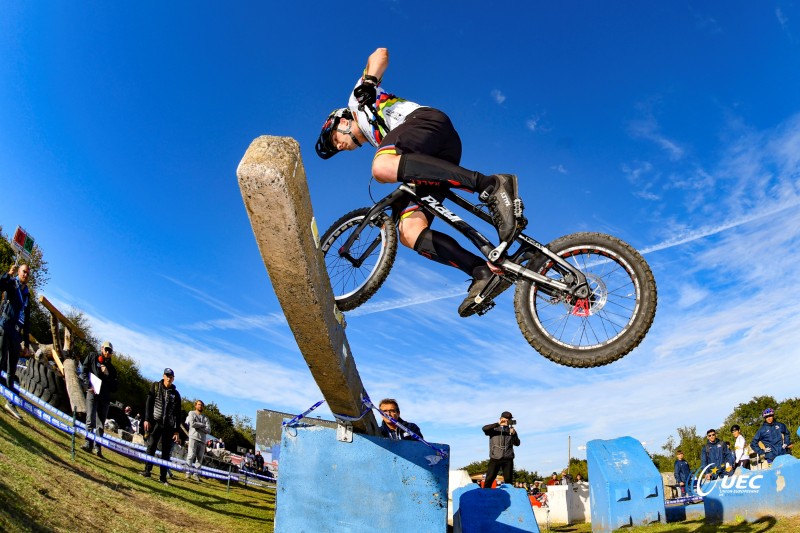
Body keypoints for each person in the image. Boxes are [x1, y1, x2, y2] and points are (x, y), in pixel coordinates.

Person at [315, 48, 525, 317]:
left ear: (341, 121)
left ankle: (490, 185)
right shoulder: (380, 138)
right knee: (409, 231)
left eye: (335, 140)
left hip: (426, 123)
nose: (341, 147)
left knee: (382, 166)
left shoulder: (358, 103)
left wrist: (367, 83)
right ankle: (481, 271)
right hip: (434, 154)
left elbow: (380, 54)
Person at [140, 368, 182, 486]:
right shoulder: (155, 386)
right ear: (163, 376)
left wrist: (176, 431)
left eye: (171, 376)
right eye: (167, 375)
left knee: (166, 452)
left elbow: (178, 414)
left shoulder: (176, 394)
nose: (169, 378)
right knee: (151, 446)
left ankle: (163, 477)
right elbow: (149, 403)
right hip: (155, 422)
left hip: (169, 426)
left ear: (173, 378)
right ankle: (147, 471)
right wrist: (147, 419)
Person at [0, 264, 31, 420]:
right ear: (18, 272)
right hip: (5, 327)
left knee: (12, 369)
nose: (25, 274)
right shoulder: (12, 283)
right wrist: (7, 274)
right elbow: (0, 285)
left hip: (16, 335)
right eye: (23, 272)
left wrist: (25, 343)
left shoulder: (27, 294)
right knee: (1, 361)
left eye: (27, 273)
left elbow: (27, 320)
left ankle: (10, 402)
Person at [79, 341, 119, 457]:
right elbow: (84, 371)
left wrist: (107, 374)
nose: (107, 352)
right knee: (90, 418)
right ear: (101, 348)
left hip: (104, 398)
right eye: (106, 349)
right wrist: (87, 385)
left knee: (100, 424)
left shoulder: (112, 369)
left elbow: (115, 387)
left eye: (110, 351)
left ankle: (98, 447)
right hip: (92, 392)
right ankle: (88, 443)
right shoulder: (92, 357)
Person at [482, 411, 521, 488]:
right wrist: (498, 424)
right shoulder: (494, 429)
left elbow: (517, 443)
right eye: (506, 419)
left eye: (509, 419)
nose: (508, 420)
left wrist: (513, 434)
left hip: (508, 458)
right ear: (501, 419)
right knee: (489, 478)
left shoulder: (511, 430)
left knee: (508, 480)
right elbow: (484, 428)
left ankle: (508, 496)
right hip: (495, 457)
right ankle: (485, 495)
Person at [184, 399, 211, 481]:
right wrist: (203, 425)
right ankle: (188, 472)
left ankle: (196, 474)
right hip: (193, 437)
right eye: (199, 404)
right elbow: (192, 424)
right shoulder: (191, 413)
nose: (200, 406)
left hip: (202, 440)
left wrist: (198, 426)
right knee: (190, 455)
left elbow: (209, 430)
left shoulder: (206, 417)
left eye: (202, 405)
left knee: (199, 458)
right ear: (195, 405)